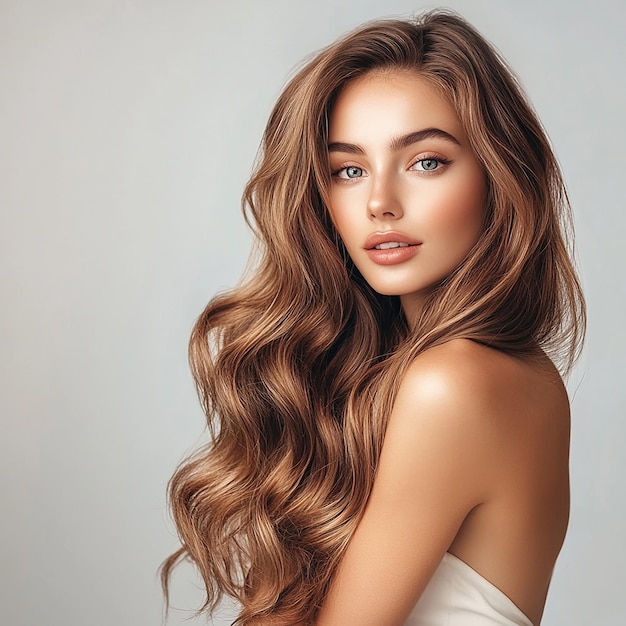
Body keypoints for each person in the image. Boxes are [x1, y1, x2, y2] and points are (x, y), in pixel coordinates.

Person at [162, 10, 585, 626]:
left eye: (426, 161)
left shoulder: (454, 384)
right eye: (348, 170)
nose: (381, 203)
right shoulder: (511, 372)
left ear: (499, 174)